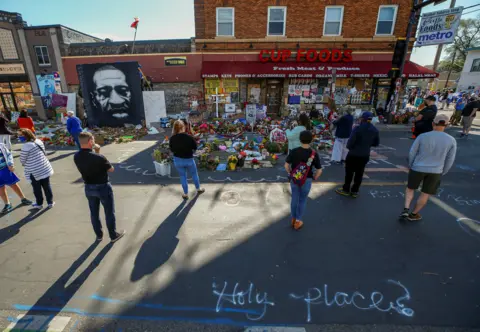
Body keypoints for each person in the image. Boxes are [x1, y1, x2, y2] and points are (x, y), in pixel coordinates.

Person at [400, 115, 456, 221]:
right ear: (447, 125)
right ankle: (414, 214)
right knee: (425, 193)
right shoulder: (451, 140)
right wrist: (443, 171)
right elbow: (450, 159)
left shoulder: (422, 136)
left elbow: (412, 152)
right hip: (436, 170)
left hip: (417, 167)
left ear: (433, 123)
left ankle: (406, 209)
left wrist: (411, 165)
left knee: (410, 188)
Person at [74, 132, 125, 243]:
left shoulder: (76, 156)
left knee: (94, 213)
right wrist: (98, 152)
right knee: (109, 212)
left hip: (88, 187)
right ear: (90, 141)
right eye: (93, 140)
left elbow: (88, 161)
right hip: (102, 186)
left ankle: (99, 235)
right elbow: (111, 169)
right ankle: (113, 235)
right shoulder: (99, 157)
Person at [336, 111, 379, 198]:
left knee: (349, 172)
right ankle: (355, 191)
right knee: (359, 173)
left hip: (353, 154)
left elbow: (351, 141)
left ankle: (346, 189)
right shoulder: (374, 130)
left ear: (362, 118)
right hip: (365, 154)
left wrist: (349, 147)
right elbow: (376, 143)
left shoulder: (357, 128)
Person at [285, 130, 322, 230]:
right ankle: (298, 221)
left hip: (295, 179)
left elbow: (286, 165)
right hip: (307, 180)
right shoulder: (314, 154)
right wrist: (315, 177)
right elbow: (319, 170)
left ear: (300, 139)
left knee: (294, 198)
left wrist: (290, 173)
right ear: (311, 140)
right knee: (302, 200)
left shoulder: (294, 151)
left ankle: (293, 218)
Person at [19, 129, 54, 209]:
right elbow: (43, 151)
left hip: (34, 171)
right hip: (44, 167)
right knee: (47, 186)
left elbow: (22, 159)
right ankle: (50, 202)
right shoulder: (38, 141)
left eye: (21, 135)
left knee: (36, 188)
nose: (19, 137)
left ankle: (39, 204)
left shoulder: (26, 146)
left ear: (26, 136)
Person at [169, 120, 205, 199]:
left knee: (182, 176)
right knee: (194, 174)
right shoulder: (189, 137)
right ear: (183, 127)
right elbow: (195, 147)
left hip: (178, 160)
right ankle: (198, 189)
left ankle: (185, 194)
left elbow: (171, 149)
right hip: (189, 159)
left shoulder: (172, 138)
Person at [0, 141, 32, 214]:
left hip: (5, 169)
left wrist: (10, 164)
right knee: (1, 188)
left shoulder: (1, 145)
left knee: (13, 184)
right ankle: (7, 204)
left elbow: (8, 155)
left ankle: (23, 198)